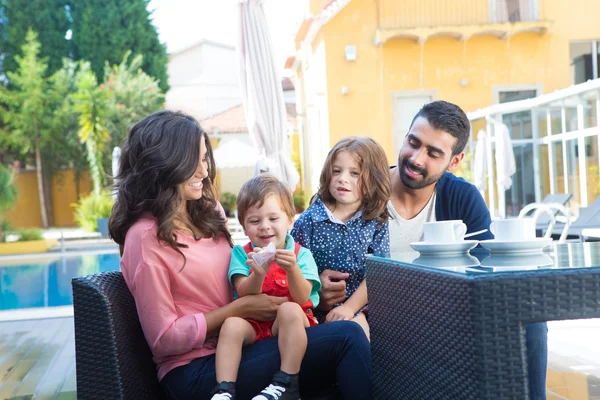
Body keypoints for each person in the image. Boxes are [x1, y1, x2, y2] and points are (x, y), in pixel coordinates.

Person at [108, 110, 372, 400]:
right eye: (192, 161)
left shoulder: (208, 212)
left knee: (339, 342)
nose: (204, 171)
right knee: (347, 338)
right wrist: (238, 310)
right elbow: (163, 339)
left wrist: (309, 280)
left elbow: (246, 266)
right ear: (163, 164)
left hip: (245, 343)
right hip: (196, 370)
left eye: (204, 158)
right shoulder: (145, 238)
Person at [384, 100, 547, 399]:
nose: (417, 158)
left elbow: (486, 273)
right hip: (377, 314)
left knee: (531, 319)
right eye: (413, 143)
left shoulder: (462, 197)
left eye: (434, 153)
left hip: (442, 315)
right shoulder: (364, 188)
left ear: (454, 161)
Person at [211, 175, 321, 400]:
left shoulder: (301, 255)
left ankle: (286, 383)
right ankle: (224, 390)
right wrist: (258, 273)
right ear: (243, 225)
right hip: (255, 325)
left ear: (290, 220)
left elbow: (302, 299)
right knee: (231, 324)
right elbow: (243, 293)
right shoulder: (241, 254)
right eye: (254, 221)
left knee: (289, 309)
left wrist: (292, 270)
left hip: (290, 324)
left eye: (273, 218)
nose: (265, 227)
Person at [291, 136, 390, 339]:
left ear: (374, 178)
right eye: (336, 171)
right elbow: (292, 268)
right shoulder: (308, 220)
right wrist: (314, 294)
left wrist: (349, 308)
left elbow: (379, 270)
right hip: (311, 309)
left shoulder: (376, 220)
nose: (342, 178)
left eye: (354, 173)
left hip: (358, 307)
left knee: (359, 331)